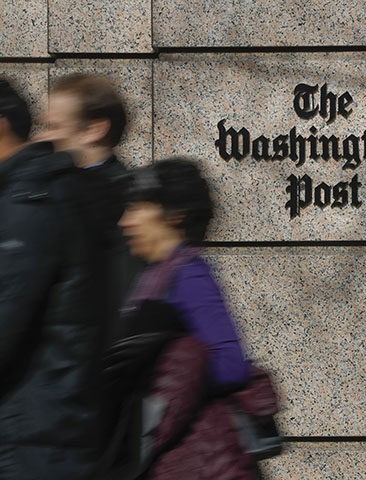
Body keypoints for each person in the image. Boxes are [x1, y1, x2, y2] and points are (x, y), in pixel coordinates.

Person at [117, 158, 257, 478]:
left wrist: (169, 399)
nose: (125, 221)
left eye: (137, 208)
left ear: (174, 214)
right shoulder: (156, 274)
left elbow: (231, 362)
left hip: (194, 458)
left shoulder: (189, 275)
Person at [0, 80, 107, 477]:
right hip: (46, 431)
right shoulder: (37, 193)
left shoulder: (29, 201)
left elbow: (6, 317)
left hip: (31, 440)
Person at [39, 73, 140, 346]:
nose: (43, 137)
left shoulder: (125, 201)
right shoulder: (60, 189)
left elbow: (119, 301)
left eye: (54, 126)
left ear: (94, 129)